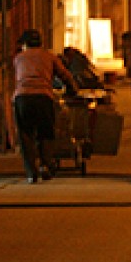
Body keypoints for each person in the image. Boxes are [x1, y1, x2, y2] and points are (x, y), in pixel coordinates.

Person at [12, 28, 77, 184]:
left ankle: (30, 172)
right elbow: (65, 75)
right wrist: (72, 89)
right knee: (46, 132)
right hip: (43, 97)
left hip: (22, 99)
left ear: (25, 44)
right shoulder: (50, 57)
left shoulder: (18, 58)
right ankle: (45, 166)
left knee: (25, 135)